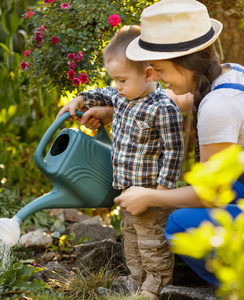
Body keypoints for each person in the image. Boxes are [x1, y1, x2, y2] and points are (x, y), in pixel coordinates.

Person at [77, 0, 244, 288]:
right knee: (202, 192)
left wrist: (149, 196)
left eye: (160, 70)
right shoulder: (228, 74)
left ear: (181, 62)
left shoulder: (218, 107)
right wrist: (111, 112)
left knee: (180, 225)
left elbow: (211, 194)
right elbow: (177, 102)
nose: (157, 78)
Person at [56, 25, 184, 299]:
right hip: (125, 190)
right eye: (115, 79)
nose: (117, 86)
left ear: (148, 73)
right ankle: (136, 281)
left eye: (122, 79)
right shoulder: (122, 96)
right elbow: (102, 92)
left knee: (152, 240)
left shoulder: (163, 107)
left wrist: (161, 191)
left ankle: (156, 286)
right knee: (131, 237)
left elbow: (174, 151)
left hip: (149, 191)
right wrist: (80, 98)